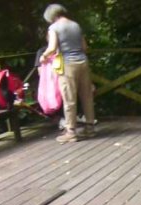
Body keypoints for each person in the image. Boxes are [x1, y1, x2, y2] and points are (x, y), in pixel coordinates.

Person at [39, 4, 96, 143]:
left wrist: (44, 56)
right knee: (87, 96)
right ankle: (90, 128)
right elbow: (84, 47)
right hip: (83, 62)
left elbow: (52, 47)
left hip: (68, 64)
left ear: (51, 16)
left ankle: (71, 131)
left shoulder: (54, 28)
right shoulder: (76, 25)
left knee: (69, 98)